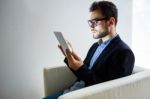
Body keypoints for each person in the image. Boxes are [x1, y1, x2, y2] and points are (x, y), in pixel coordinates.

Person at [43, 1, 135, 99]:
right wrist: (70, 57)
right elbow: (84, 73)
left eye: (95, 22)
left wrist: (80, 68)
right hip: (71, 92)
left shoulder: (124, 53)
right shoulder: (95, 46)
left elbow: (109, 91)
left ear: (111, 22)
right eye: (90, 22)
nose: (91, 26)